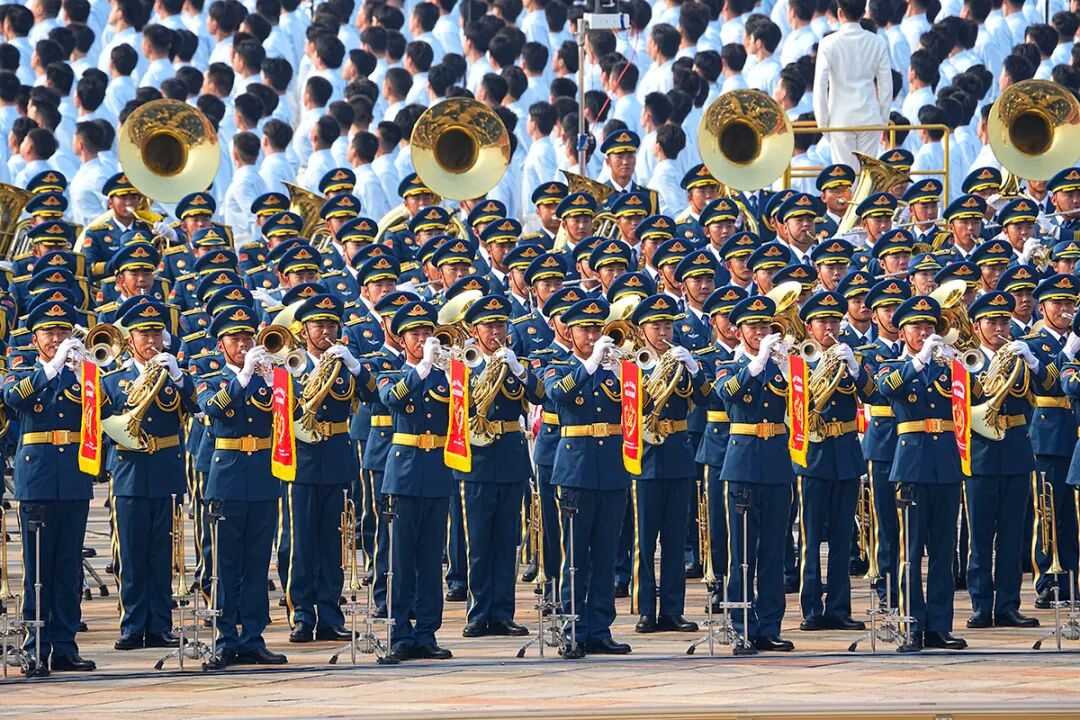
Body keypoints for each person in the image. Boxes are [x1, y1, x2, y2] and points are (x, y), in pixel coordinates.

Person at [3, 300, 96, 675]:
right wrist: (53, 367)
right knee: (38, 568)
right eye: (49, 333)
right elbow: (12, 398)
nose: (56, 339)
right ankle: (35, 646)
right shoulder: (20, 368)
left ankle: (65, 644)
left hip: (73, 476)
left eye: (62, 333)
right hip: (38, 479)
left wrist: (86, 370)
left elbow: (102, 409)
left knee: (68, 565)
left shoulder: (82, 373)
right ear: (35, 336)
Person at [197, 304, 289, 669]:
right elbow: (212, 407)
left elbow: (289, 412)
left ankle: (253, 636)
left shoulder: (272, 376)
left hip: (263, 476)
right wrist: (244, 376)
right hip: (228, 476)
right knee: (224, 562)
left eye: (247, 338)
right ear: (222, 344)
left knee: (256, 563)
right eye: (235, 339)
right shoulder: (210, 374)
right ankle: (224, 637)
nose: (243, 345)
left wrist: (269, 381)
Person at [104, 300, 199, 652]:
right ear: (130, 340)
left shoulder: (175, 374)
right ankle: (131, 624)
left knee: (163, 552)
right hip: (129, 469)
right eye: (144, 333)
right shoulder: (114, 379)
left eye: (156, 333)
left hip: (165, 467)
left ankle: (160, 623)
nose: (151, 340)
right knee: (129, 552)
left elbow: (197, 404)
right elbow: (101, 422)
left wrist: (175, 375)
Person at [876, 295, 967, 652]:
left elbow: (974, 394)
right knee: (909, 552)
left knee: (943, 552)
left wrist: (951, 362)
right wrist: (920, 359)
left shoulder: (951, 367)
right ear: (903, 332)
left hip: (945, 463)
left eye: (930, 327)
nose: (925, 332)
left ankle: (939, 625)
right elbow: (886, 390)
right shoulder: (891, 364)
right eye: (917, 327)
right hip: (911, 465)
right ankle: (909, 623)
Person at [543, 297, 633, 657]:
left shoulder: (617, 368)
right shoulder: (556, 363)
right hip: (576, 468)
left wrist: (621, 373)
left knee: (606, 553)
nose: (593, 336)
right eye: (586, 330)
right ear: (570, 332)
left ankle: (599, 627)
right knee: (575, 554)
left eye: (598, 329)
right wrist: (591, 364)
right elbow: (556, 395)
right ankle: (571, 626)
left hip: (612, 466)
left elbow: (643, 404)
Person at [284, 293, 375, 643]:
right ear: (304, 330)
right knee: (302, 542)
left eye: (330, 325)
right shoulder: (290, 365)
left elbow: (373, 396)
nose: (324, 332)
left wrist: (354, 365)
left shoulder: (346, 363)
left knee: (334, 542)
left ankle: (330, 614)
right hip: (302, 462)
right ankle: (302, 615)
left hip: (336, 458)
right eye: (317, 325)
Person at [715, 294, 796, 652]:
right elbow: (727, 394)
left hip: (777, 461)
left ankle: (769, 626)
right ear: (738, 330)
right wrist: (758, 361)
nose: (761, 332)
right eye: (753, 326)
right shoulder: (727, 363)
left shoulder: (784, 366)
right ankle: (740, 626)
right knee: (742, 552)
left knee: (774, 550)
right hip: (743, 463)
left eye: (765, 326)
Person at [458, 294, 541, 638]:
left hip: (509, 455)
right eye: (489, 326)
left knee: (507, 542)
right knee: (478, 542)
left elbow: (540, 396)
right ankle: (479, 613)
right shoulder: (463, 364)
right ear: (475, 330)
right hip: (476, 460)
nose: (496, 332)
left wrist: (520, 371)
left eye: (500, 325)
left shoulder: (517, 362)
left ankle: (503, 612)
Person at [377, 299, 456, 662]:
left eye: (428, 333)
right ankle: (399, 633)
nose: (424, 340)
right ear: (402, 338)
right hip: (404, 473)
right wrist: (421, 369)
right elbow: (390, 399)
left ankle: (426, 632)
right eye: (416, 334)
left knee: (429, 559)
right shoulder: (389, 369)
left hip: (438, 470)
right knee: (401, 559)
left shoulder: (448, 375)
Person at [629, 294, 707, 634]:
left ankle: (673, 608)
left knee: (676, 539)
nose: (663, 332)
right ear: (642, 330)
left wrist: (692, 368)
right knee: (644, 540)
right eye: (656, 326)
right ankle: (646, 608)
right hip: (645, 456)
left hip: (677, 452)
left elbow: (708, 399)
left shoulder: (682, 360)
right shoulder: (632, 364)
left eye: (667, 326)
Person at [964, 291, 1042, 630]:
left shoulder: (1021, 354)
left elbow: (1049, 387)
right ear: (977, 326)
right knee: (980, 535)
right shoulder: (965, 360)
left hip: (1014, 450)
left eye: (1003, 322)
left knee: (1012, 536)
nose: (999, 328)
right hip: (980, 452)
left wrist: (1034, 363)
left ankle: (1009, 604)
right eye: (992, 322)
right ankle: (981, 604)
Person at [812, 0, 892, 169]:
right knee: (867, 177)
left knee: (845, 179)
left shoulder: (828, 43)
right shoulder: (877, 42)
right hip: (870, 117)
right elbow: (885, 85)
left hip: (840, 119)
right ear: (864, 12)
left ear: (840, 13)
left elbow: (820, 87)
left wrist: (823, 124)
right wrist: (883, 119)